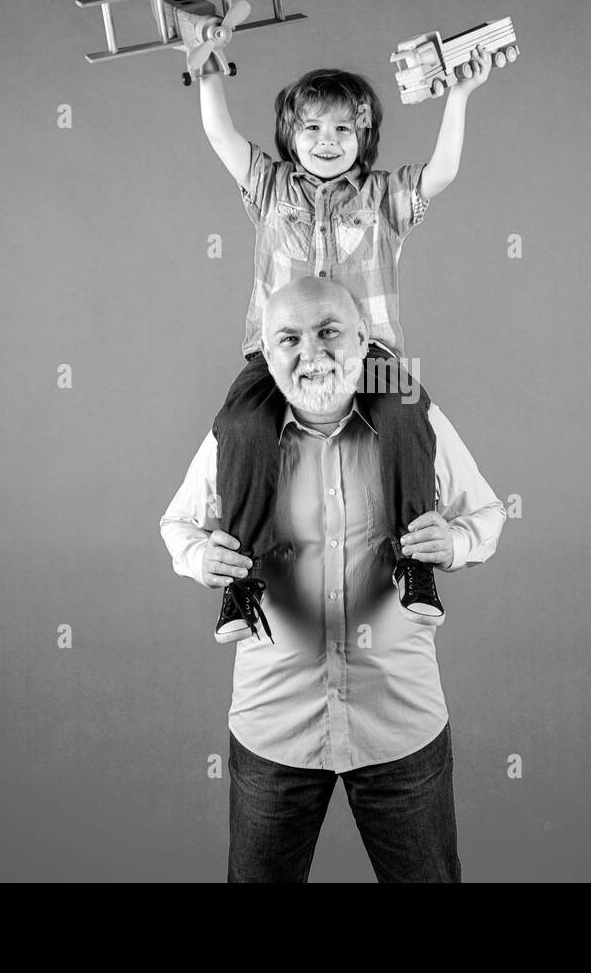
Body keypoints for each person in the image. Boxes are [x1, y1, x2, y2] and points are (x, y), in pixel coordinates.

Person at [160, 277, 506, 882]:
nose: (311, 353)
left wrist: (452, 543)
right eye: (288, 339)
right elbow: (178, 526)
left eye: (329, 332)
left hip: (399, 721)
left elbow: (487, 513)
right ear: (266, 356)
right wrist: (199, 558)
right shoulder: (236, 439)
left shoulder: (416, 427)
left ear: (364, 340)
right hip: (276, 725)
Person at [196, 50, 495, 642]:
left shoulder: (384, 197)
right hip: (277, 358)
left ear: (364, 135)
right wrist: (207, 68)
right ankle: (242, 580)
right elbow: (218, 132)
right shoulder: (269, 187)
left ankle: (415, 567)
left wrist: (457, 98)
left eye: (343, 128)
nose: (326, 140)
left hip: (368, 356)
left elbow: (442, 172)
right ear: (289, 135)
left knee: (408, 414)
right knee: (242, 426)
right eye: (310, 127)